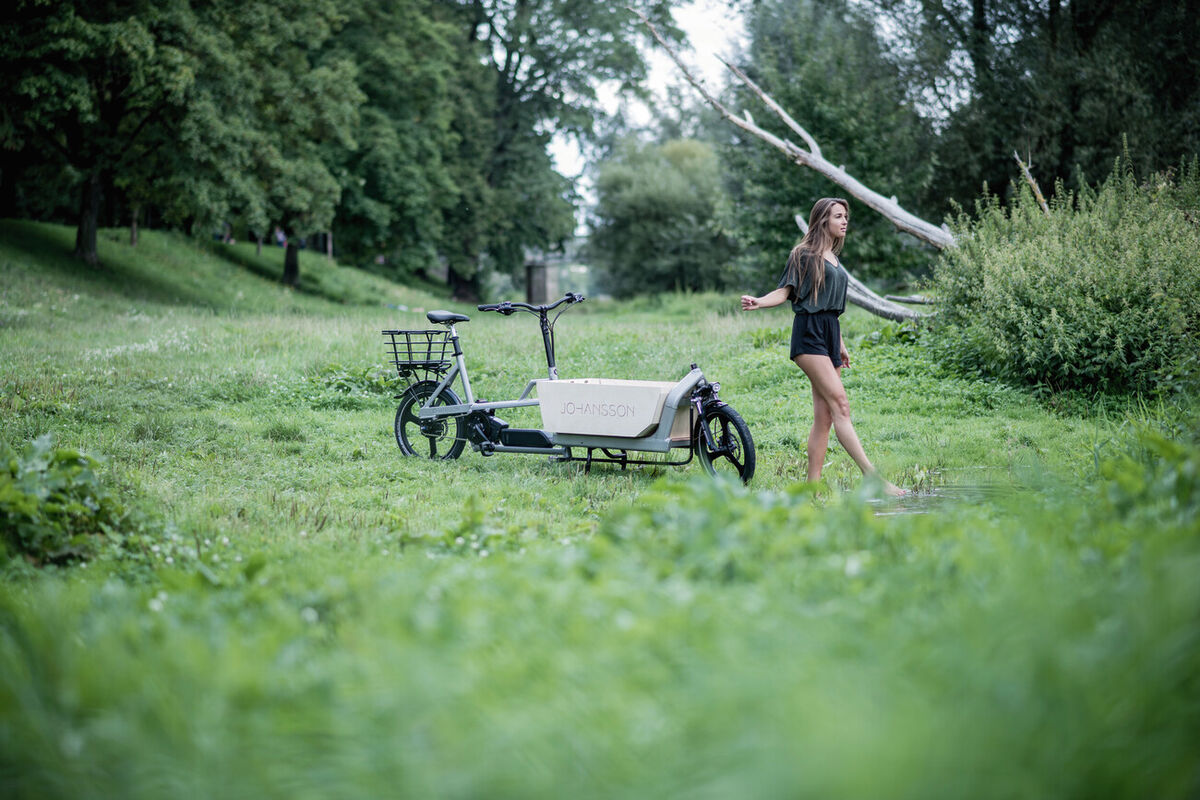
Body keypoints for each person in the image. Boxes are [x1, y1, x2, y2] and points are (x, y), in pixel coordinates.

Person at [741, 197, 905, 496]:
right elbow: (786, 291)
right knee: (841, 405)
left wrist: (839, 343)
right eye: (838, 216)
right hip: (809, 335)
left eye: (846, 217)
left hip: (830, 335)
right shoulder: (803, 254)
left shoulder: (833, 256)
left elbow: (829, 306)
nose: (844, 221)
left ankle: (811, 488)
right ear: (823, 221)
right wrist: (759, 302)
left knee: (826, 417)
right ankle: (873, 478)